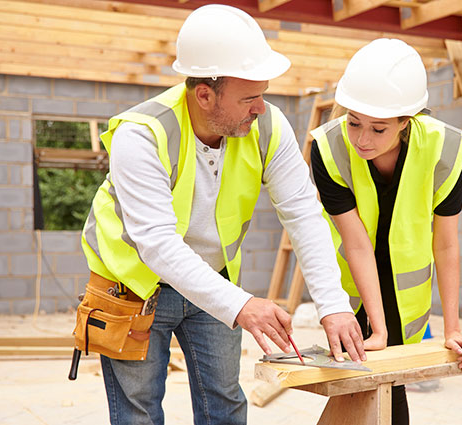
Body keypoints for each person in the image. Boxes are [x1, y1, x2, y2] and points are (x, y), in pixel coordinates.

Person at [79, 5, 365, 424]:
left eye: (262, 94)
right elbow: (156, 244)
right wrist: (243, 305)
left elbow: (303, 212)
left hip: (212, 280)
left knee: (226, 405)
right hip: (133, 285)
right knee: (138, 412)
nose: (261, 108)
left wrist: (333, 304)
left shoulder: (268, 126)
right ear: (205, 95)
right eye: (249, 98)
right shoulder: (141, 134)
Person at [310, 38, 462, 425]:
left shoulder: (443, 148)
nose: (362, 139)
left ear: (408, 120)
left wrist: (451, 329)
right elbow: (356, 244)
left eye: (378, 129)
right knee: (358, 385)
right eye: (354, 122)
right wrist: (378, 329)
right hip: (354, 286)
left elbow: (447, 243)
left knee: (391, 385)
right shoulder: (329, 148)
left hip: (408, 297)